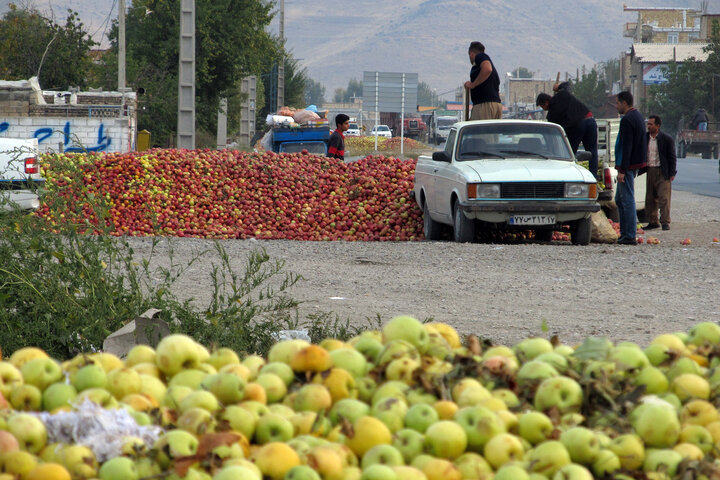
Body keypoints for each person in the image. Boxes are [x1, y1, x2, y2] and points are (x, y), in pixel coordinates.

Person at [536, 83, 599, 179]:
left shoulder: (551, 115)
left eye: (542, 106)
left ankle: (570, 177)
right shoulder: (563, 94)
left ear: (546, 103)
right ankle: (594, 176)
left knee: (570, 154)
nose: (543, 109)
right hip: (590, 120)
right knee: (592, 152)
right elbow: (567, 85)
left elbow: (554, 132)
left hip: (577, 126)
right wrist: (558, 87)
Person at [614, 91, 647, 245]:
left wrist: (622, 170)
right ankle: (625, 233)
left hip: (627, 166)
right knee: (619, 200)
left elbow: (627, 146)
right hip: (631, 165)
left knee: (627, 199)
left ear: (625, 103)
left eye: (618, 103)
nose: (616, 106)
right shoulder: (638, 116)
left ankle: (629, 235)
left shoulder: (627, 119)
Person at [644, 115, 677, 231]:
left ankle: (665, 222)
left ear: (657, 126)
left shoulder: (666, 139)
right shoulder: (645, 138)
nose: (648, 126)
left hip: (663, 171)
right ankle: (653, 221)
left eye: (651, 124)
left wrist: (672, 173)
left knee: (664, 198)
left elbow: (672, 157)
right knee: (650, 198)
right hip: (650, 170)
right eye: (648, 124)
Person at [463, 42, 502, 120]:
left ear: (471, 54)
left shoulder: (480, 56)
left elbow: (487, 69)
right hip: (495, 104)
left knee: (479, 131)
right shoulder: (484, 62)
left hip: (484, 105)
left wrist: (473, 84)